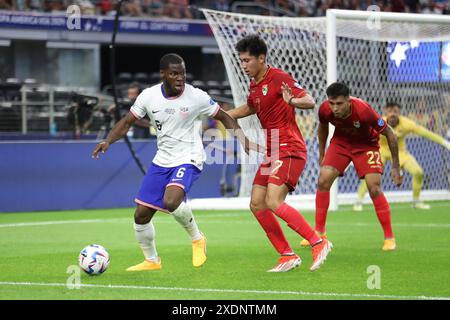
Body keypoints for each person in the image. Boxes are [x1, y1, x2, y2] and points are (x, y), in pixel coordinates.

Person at [92, 53, 258, 271]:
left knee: (171, 201)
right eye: (174, 74)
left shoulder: (196, 96)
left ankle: (197, 238)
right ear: (163, 75)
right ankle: (152, 260)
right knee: (141, 215)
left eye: (183, 73)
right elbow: (127, 121)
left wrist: (243, 140)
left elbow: (224, 117)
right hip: (162, 160)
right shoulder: (149, 96)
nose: (180, 78)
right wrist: (108, 141)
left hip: (189, 157)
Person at [227, 35, 332, 272]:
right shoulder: (254, 84)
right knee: (256, 203)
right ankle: (287, 255)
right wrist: (225, 114)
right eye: (241, 61)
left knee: (273, 201)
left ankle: (318, 241)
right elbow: (252, 107)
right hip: (272, 149)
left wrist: (292, 101)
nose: (243, 65)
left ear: (261, 59)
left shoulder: (279, 78)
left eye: (247, 61)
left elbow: (310, 100)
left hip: (289, 147)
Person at [300, 82, 403, 251]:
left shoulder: (363, 110)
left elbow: (389, 132)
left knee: (374, 187)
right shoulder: (324, 109)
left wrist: (395, 166)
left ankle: (389, 238)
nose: (335, 108)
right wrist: (321, 154)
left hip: (366, 145)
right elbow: (323, 127)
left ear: (348, 101)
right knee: (323, 180)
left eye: (339, 104)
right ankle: (319, 232)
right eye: (332, 103)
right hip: (341, 144)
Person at [354, 101, 450, 211]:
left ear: (399, 112)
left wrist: (445, 143)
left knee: (418, 172)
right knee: (371, 174)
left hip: (400, 152)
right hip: (381, 150)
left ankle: (416, 201)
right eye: (390, 111)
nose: (392, 114)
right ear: (386, 112)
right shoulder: (379, 122)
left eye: (395, 111)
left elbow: (426, 133)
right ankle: (358, 201)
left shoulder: (407, 124)